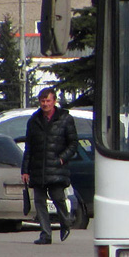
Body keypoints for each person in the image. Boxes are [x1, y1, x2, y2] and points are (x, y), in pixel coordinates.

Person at [22, 87, 79, 245]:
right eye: (42, 101)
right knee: (39, 202)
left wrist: (62, 158)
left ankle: (65, 221)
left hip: (56, 168)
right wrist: (25, 170)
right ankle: (45, 234)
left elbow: (73, 143)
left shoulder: (65, 118)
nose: (45, 104)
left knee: (58, 198)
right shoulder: (34, 120)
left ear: (54, 101)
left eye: (48, 101)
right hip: (38, 168)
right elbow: (29, 147)